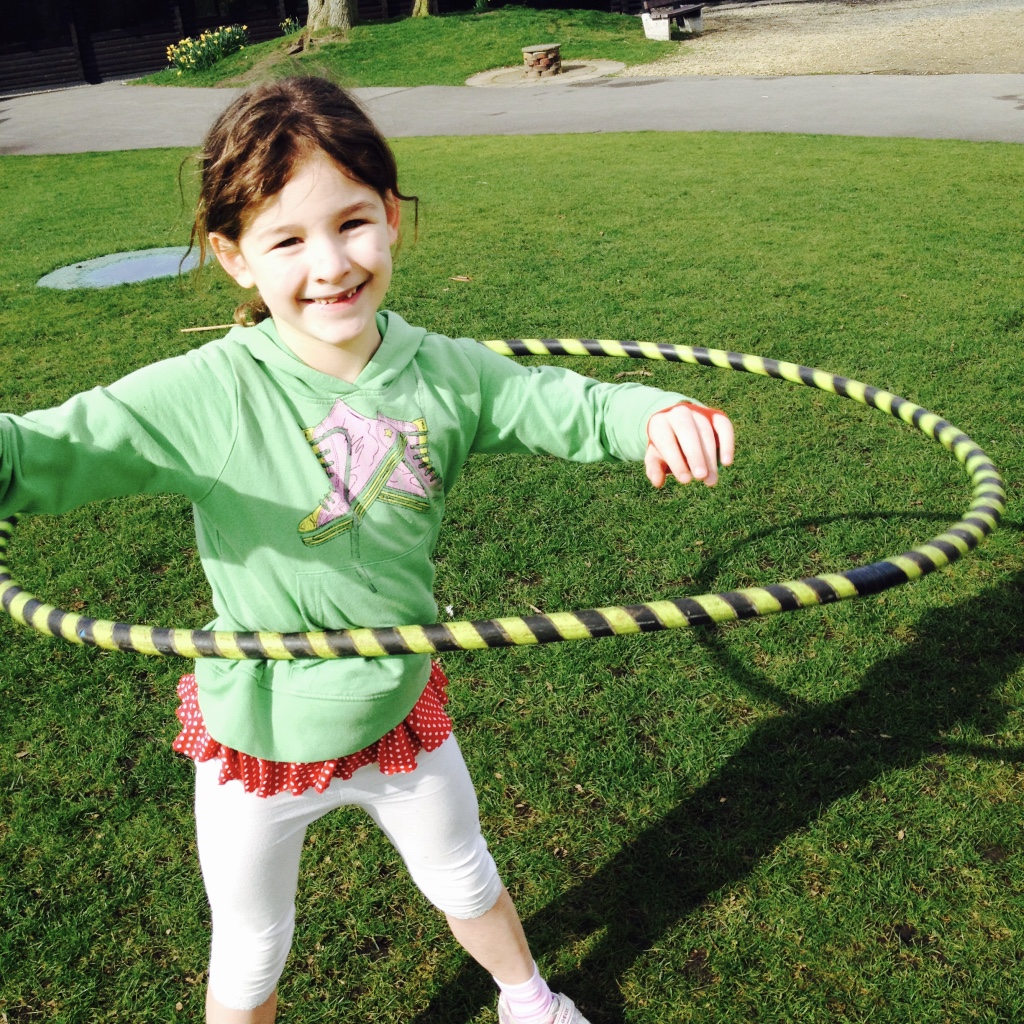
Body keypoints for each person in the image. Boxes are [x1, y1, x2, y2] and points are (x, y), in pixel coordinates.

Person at [0, 77, 734, 1024]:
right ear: (234, 258)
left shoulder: (446, 373)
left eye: (352, 222)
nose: (330, 264)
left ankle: (528, 999)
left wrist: (655, 413)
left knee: (465, 874)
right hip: (258, 737)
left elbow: (565, 402)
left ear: (390, 216)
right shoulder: (208, 394)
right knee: (252, 947)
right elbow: (48, 449)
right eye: (287, 239)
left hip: (396, 706)